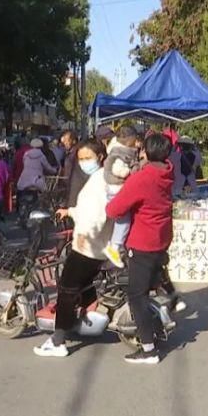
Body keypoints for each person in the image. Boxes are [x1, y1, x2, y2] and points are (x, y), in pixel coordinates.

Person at [34, 139, 113, 358]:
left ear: (100, 157)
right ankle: (85, 321)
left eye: (88, 158)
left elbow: (97, 216)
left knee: (67, 289)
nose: (83, 162)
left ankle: (58, 340)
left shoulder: (100, 182)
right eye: (80, 158)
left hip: (89, 245)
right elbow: (88, 211)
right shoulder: (99, 177)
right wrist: (71, 212)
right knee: (83, 285)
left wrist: (85, 236)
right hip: (94, 243)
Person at [106, 133, 175, 365]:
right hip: (162, 239)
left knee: (137, 296)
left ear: (146, 151)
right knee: (150, 287)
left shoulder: (142, 178)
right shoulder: (167, 172)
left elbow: (115, 209)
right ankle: (162, 316)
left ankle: (148, 349)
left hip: (143, 242)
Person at [102, 126, 141, 267]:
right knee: (124, 221)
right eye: (134, 140)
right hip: (117, 190)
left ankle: (114, 245)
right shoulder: (120, 153)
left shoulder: (116, 150)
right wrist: (130, 170)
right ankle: (115, 246)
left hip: (113, 189)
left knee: (120, 220)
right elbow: (119, 170)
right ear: (128, 140)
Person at [16, 138, 57, 212]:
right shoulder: (41, 156)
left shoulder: (26, 154)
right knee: (44, 196)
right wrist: (55, 171)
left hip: (24, 180)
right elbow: (48, 168)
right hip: (37, 181)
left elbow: (24, 164)